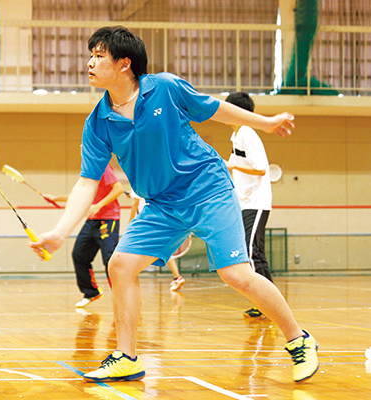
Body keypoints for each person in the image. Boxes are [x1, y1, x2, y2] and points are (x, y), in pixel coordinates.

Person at [30, 26, 318, 384]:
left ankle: (299, 339)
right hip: (161, 204)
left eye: (99, 56)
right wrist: (60, 232)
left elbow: (216, 109)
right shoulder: (98, 122)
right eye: (90, 55)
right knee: (120, 265)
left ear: (124, 64)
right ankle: (127, 357)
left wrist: (267, 123)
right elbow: (87, 182)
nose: (89, 63)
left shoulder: (164, 88)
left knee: (236, 274)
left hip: (207, 189)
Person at [45, 164, 123, 308]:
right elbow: (79, 196)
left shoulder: (103, 167)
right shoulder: (87, 171)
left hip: (108, 219)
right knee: (79, 255)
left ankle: (121, 297)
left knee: (110, 260)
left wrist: (99, 205)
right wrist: (56, 198)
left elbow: (118, 189)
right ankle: (91, 292)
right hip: (92, 220)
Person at [224, 92, 273, 318]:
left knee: (253, 252)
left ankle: (268, 303)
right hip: (244, 203)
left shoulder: (247, 133)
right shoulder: (236, 136)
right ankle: (264, 302)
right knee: (252, 252)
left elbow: (261, 169)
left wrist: (232, 165)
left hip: (256, 202)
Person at [128, 191, 185, 291]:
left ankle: (129, 274)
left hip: (146, 221)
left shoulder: (137, 185)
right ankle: (177, 277)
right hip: (160, 219)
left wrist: (130, 223)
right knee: (161, 250)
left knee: (134, 249)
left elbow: (135, 204)